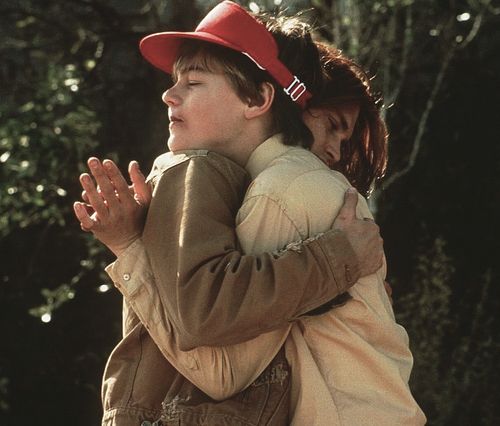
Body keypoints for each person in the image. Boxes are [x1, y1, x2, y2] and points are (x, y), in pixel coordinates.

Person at [73, 2, 385, 424]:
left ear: (258, 99)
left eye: (194, 82)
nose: (168, 94)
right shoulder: (232, 179)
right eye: (175, 81)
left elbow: (217, 361)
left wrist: (129, 248)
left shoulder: (266, 186)